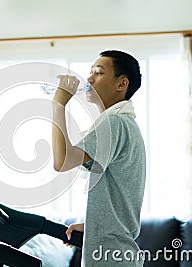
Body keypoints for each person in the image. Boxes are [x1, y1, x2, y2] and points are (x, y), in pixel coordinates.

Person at [52, 50, 146, 266]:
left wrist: (58, 105)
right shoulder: (123, 124)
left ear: (121, 84)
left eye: (99, 73)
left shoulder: (115, 125)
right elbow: (122, 195)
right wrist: (93, 225)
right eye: (90, 72)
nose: (90, 79)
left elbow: (62, 160)